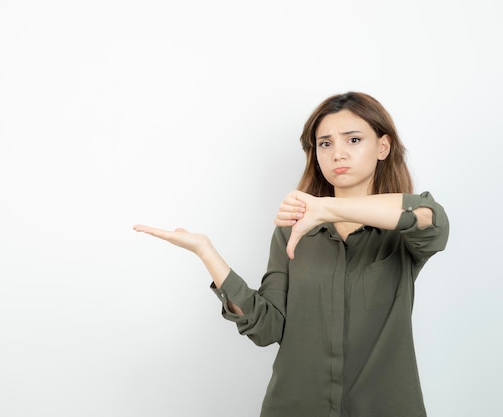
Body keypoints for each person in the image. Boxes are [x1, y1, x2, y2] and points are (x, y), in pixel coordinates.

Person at [133, 92, 449, 417]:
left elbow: (429, 216)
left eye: (353, 139)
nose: (338, 152)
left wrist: (324, 207)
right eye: (325, 143)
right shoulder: (293, 231)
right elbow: (267, 327)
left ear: (383, 146)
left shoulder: (403, 232)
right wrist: (206, 252)